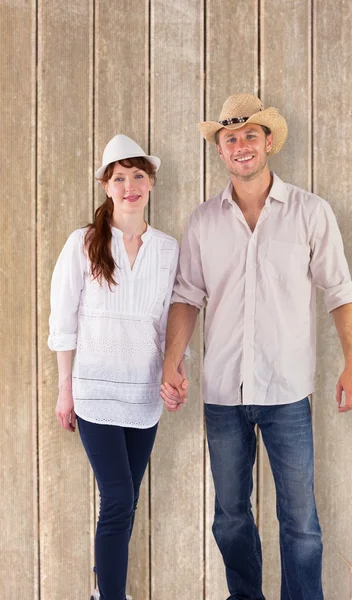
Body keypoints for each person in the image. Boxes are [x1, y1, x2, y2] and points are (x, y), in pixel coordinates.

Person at [160, 94, 352, 600]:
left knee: (300, 523)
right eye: (230, 138)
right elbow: (187, 296)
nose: (241, 145)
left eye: (251, 135)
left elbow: (340, 291)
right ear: (221, 151)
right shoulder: (203, 221)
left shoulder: (310, 212)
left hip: (288, 392)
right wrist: (172, 361)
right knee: (230, 518)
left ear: (269, 142)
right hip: (223, 394)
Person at [48, 134, 186, 600]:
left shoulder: (168, 249)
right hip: (94, 394)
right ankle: (111, 596)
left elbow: (170, 323)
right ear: (106, 186)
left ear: (150, 184)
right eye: (119, 177)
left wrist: (174, 374)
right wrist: (64, 390)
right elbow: (63, 320)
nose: (130, 186)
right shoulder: (83, 243)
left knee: (127, 504)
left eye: (138, 176)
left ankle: (102, 588)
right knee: (118, 500)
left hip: (143, 396)